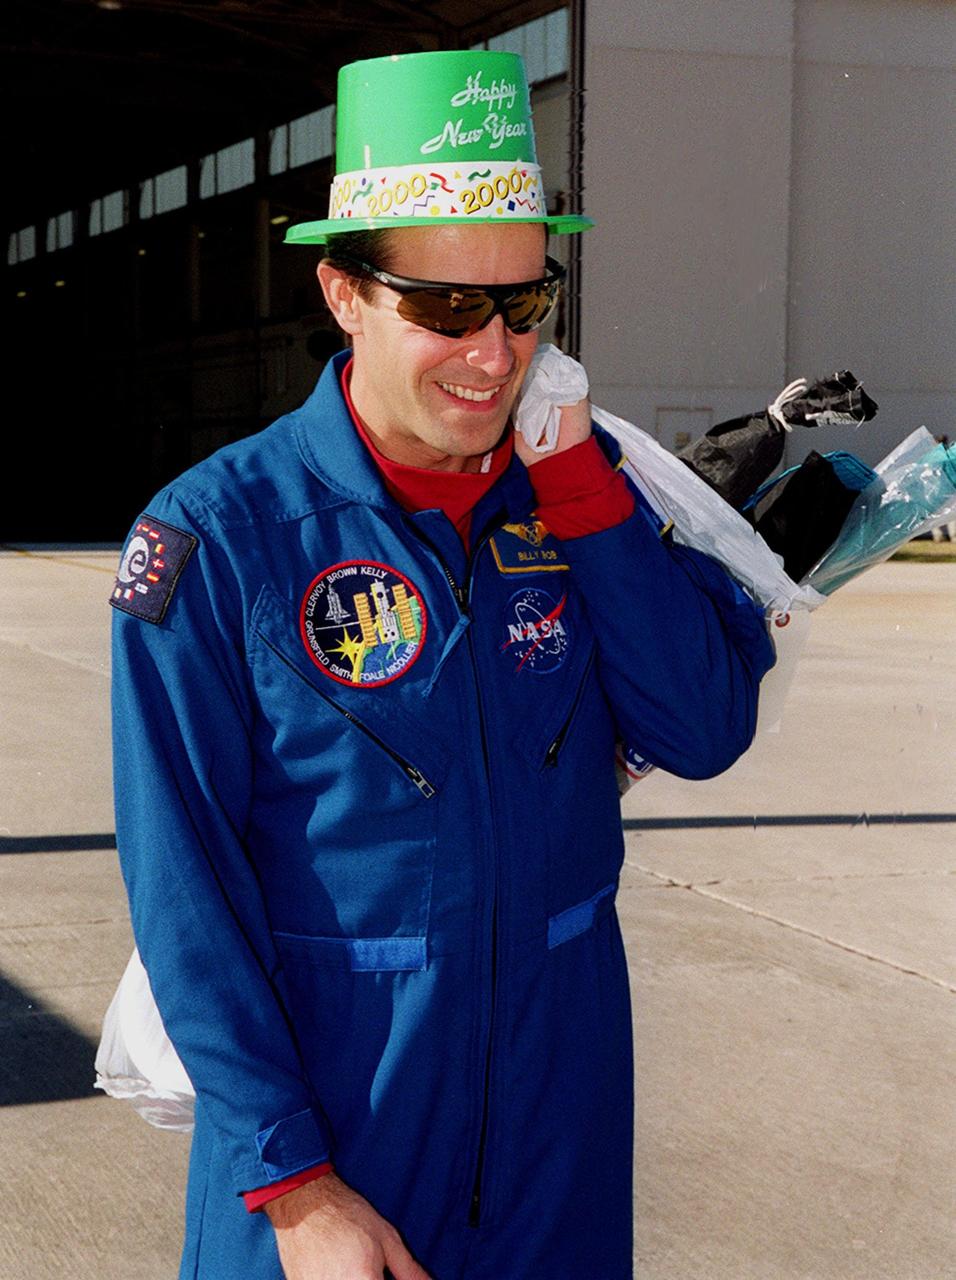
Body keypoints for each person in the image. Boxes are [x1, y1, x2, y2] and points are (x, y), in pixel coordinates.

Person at [109, 49, 775, 1280]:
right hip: (337, 1141)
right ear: (342, 293)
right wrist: (298, 1191)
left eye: (525, 306)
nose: (492, 353)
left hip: (555, 1140)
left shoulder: (578, 502)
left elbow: (700, 725)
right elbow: (185, 893)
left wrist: (581, 491)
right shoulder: (218, 539)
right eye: (447, 308)